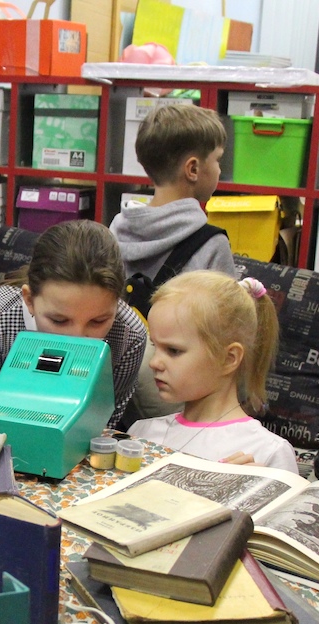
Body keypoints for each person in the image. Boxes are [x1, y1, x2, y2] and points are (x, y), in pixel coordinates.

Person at [110, 103, 238, 424]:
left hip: (114, 389)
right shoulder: (211, 243)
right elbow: (228, 333)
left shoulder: (114, 230)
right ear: (193, 169)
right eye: (217, 160)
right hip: (179, 403)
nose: (219, 170)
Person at [0, 219, 146, 428]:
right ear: (29, 300)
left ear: (117, 305)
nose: (77, 338)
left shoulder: (130, 336)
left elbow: (103, 423)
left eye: (98, 321)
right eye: (59, 321)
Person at [125, 270, 297, 473]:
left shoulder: (267, 452)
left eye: (173, 350)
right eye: (155, 346)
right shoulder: (141, 434)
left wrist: (259, 486)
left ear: (228, 358)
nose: (154, 363)